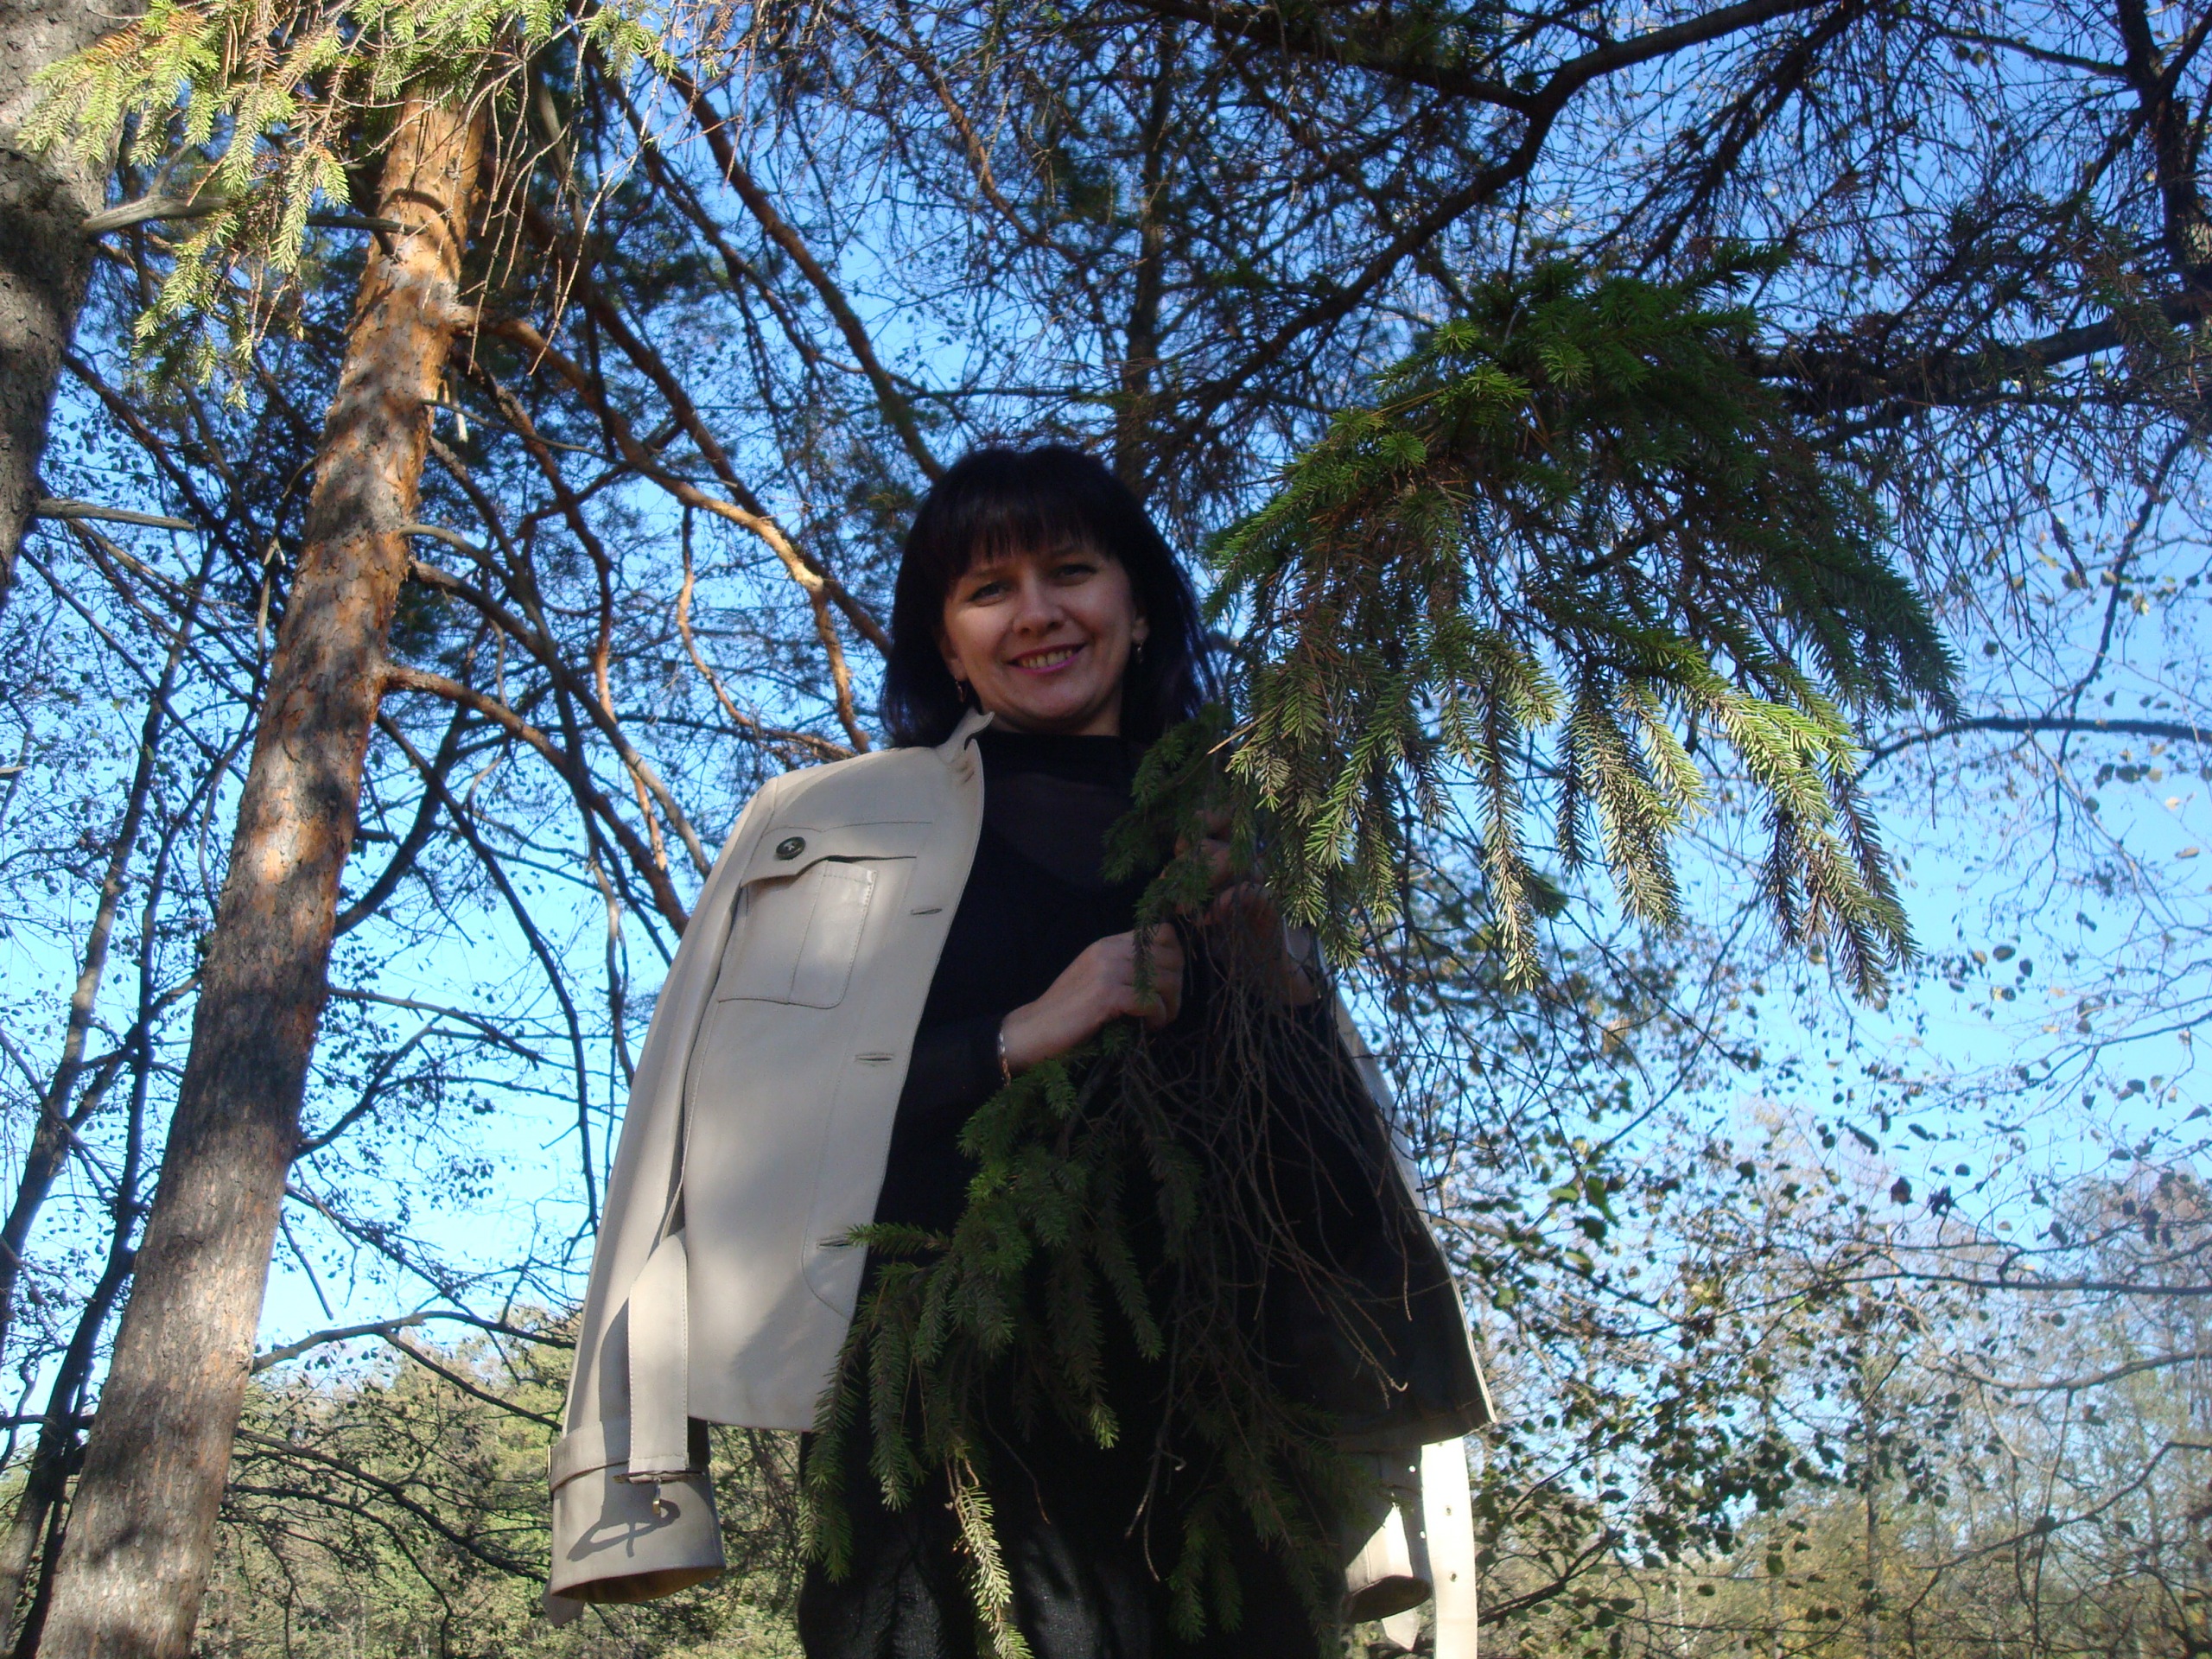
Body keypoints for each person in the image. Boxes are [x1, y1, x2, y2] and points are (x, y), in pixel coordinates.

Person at [543, 448, 1491, 1656]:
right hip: (929, 1453)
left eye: (1072, 572)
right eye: (988, 589)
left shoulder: (1226, 825)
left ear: (1138, 610)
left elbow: (1326, 1195)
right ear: (946, 646)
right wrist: (1015, 1036)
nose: (1036, 613)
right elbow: (717, 1133)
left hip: (1222, 1466)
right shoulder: (824, 824)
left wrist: (1279, 983)